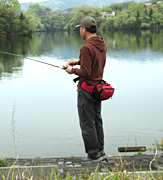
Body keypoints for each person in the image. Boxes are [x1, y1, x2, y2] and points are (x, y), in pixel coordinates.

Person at [65, 16, 107, 163]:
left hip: (87, 91)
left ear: (84, 30)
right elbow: (95, 63)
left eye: (80, 30)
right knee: (97, 120)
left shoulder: (86, 47)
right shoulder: (100, 43)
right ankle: (100, 151)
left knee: (87, 123)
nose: (80, 32)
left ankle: (93, 154)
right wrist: (78, 61)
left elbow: (86, 72)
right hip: (98, 89)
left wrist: (72, 70)